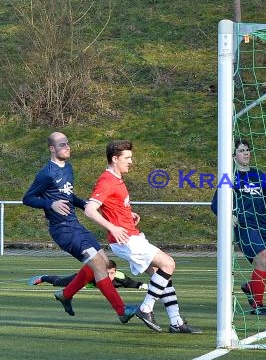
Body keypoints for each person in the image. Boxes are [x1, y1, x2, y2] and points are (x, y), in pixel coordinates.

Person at [84, 140, 202, 334]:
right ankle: (145, 308)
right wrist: (113, 227)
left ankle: (176, 321)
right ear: (115, 159)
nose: (131, 161)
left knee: (161, 276)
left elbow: (111, 205)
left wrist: (127, 214)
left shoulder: (116, 179)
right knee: (169, 264)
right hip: (127, 240)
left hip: (130, 237)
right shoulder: (107, 180)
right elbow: (90, 209)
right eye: (127, 158)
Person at [22, 132, 137, 323]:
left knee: (104, 262)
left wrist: (86, 205)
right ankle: (122, 310)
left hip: (75, 225)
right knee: (98, 266)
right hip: (62, 230)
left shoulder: (68, 168)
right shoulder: (46, 173)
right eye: (61, 145)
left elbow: (69, 196)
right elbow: (28, 198)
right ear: (52, 148)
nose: (67, 147)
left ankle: (66, 294)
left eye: (67, 143)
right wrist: (50, 204)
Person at [211, 139, 266, 315]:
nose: (246, 153)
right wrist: (228, 214)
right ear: (233, 155)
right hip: (245, 226)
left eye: (248, 150)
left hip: (264, 225)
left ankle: (251, 287)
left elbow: (265, 199)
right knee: (262, 257)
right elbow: (215, 204)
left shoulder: (258, 174)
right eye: (242, 150)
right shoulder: (229, 176)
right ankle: (257, 305)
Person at [28, 259, 149, 290]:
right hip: (81, 277)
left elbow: (135, 284)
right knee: (59, 283)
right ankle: (43, 278)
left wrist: (145, 286)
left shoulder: (120, 277)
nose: (111, 276)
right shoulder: (93, 275)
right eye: (108, 273)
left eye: (113, 273)